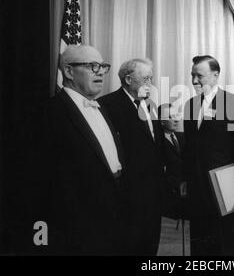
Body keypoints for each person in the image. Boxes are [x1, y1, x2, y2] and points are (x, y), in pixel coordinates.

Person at [27, 45, 129, 255]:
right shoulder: (49, 113)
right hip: (76, 229)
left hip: (112, 220)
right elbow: (40, 181)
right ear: (69, 71)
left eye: (102, 66)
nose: (99, 71)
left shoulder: (102, 109)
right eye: (92, 66)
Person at [183, 55, 234, 256]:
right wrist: (184, 178)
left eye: (199, 75)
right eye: (192, 75)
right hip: (198, 189)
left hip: (227, 188)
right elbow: (189, 148)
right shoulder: (190, 105)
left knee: (229, 242)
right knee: (200, 241)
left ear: (215, 75)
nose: (193, 81)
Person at [98, 58, 164, 256]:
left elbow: (156, 141)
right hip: (128, 189)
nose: (150, 83)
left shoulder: (149, 104)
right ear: (128, 79)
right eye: (145, 78)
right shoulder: (106, 105)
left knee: (151, 239)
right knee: (130, 242)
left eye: (151, 78)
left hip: (153, 186)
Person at [158, 103, 186, 220]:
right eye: (170, 117)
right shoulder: (156, 142)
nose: (175, 120)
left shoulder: (183, 137)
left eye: (176, 115)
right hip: (170, 195)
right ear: (161, 121)